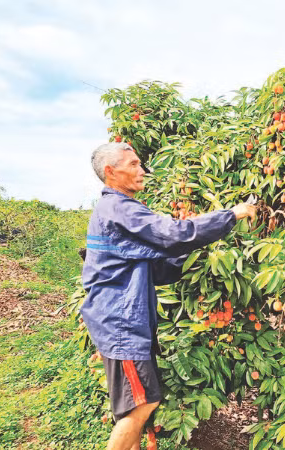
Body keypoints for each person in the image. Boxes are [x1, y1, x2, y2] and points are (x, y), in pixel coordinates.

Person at [81, 142, 257, 449]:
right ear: (111, 172)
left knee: (134, 405)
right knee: (142, 405)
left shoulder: (115, 209)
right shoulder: (119, 208)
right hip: (120, 325)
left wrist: (197, 260)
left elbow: (157, 268)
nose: (141, 170)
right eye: (133, 164)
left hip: (122, 321)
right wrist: (230, 215)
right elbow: (174, 234)